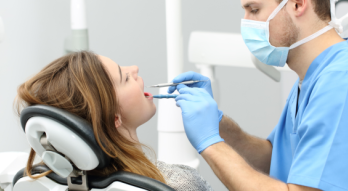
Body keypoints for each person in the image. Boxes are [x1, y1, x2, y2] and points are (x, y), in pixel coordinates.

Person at [168, 0, 348, 190]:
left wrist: (211, 144)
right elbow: (275, 158)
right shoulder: (311, 76)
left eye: (254, 10)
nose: (246, 22)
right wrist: (217, 123)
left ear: (297, 2)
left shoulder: (342, 79)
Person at [15, 51, 214, 191]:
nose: (135, 68)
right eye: (125, 78)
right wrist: (212, 140)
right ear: (114, 118)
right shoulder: (179, 183)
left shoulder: (40, 182)